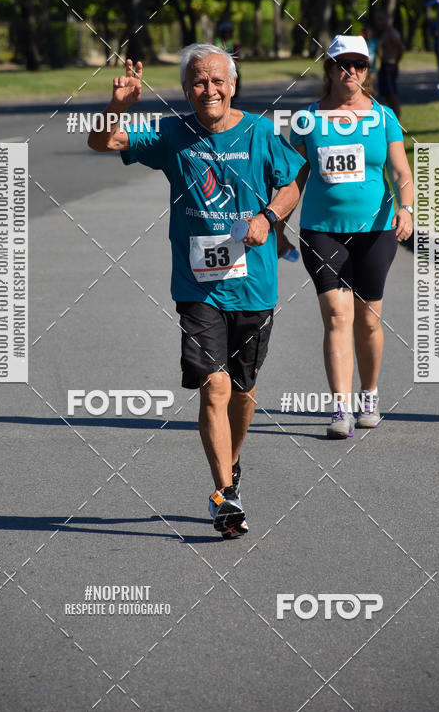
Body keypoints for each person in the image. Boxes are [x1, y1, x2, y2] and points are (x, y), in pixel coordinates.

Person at [88, 45, 303, 536]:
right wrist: (119, 103)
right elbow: (100, 144)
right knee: (215, 385)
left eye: (217, 81)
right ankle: (224, 494)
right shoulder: (171, 134)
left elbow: (291, 185)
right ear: (186, 91)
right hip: (196, 287)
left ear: (233, 85)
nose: (210, 90)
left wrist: (268, 218)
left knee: (244, 393)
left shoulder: (261, 132)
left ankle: (232, 465)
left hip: (254, 286)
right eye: (199, 83)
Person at [278, 34, 414, 438]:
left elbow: (401, 172)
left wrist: (406, 208)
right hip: (322, 232)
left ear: (367, 71)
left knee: (369, 320)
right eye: (342, 64)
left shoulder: (384, 117)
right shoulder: (307, 120)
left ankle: (368, 394)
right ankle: (340, 409)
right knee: (337, 315)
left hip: (375, 231)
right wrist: (276, 221)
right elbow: (292, 178)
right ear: (329, 69)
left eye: (359, 65)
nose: (350, 71)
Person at [375, 10, 406, 119]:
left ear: (387, 20)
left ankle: (396, 123)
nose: (379, 22)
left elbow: (401, 48)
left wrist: (395, 63)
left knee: (392, 95)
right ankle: (391, 121)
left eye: (381, 19)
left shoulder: (391, 33)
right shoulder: (383, 33)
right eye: (377, 20)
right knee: (387, 95)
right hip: (384, 65)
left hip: (390, 67)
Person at [215, 22, 242, 98]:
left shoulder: (234, 42)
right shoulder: (216, 41)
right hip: (218, 64)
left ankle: (235, 91)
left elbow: (238, 54)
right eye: (225, 32)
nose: (227, 33)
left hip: (231, 64)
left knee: (237, 75)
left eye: (229, 31)